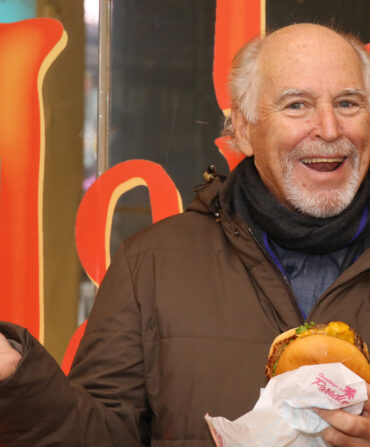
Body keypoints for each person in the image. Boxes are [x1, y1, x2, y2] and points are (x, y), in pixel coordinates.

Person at [0, 22, 369, 447]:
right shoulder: (151, 265)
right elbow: (101, 435)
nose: (328, 129)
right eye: (297, 106)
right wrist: (17, 380)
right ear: (244, 131)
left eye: (347, 103)